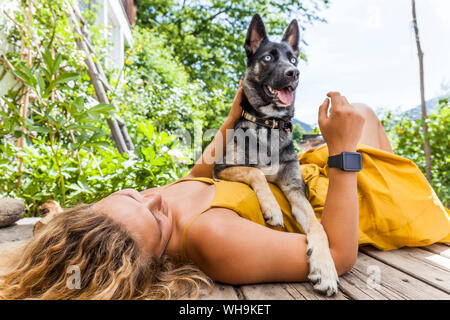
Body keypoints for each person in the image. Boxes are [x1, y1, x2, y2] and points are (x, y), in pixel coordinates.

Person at [0, 87, 448, 300]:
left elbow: (200, 174)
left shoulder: (156, 206)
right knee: (369, 123)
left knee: (364, 111)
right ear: (151, 263)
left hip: (300, 180)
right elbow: (336, 253)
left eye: (137, 194)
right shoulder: (212, 240)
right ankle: (409, 203)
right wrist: (344, 153)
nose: (159, 199)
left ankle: (408, 188)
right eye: (157, 218)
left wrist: (236, 113)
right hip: (342, 200)